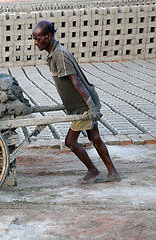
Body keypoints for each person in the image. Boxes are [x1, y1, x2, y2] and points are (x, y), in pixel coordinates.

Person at [32, 20, 121, 183]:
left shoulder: (60, 54)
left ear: (49, 36)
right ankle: (112, 173)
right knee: (95, 139)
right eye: (34, 39)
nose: (36, 42)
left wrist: (90, 107)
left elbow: (76, 82)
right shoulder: (53, 53)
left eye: (38, 39)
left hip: (83, 106)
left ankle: (92, 170)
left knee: (70, 142)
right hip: (81, 104)